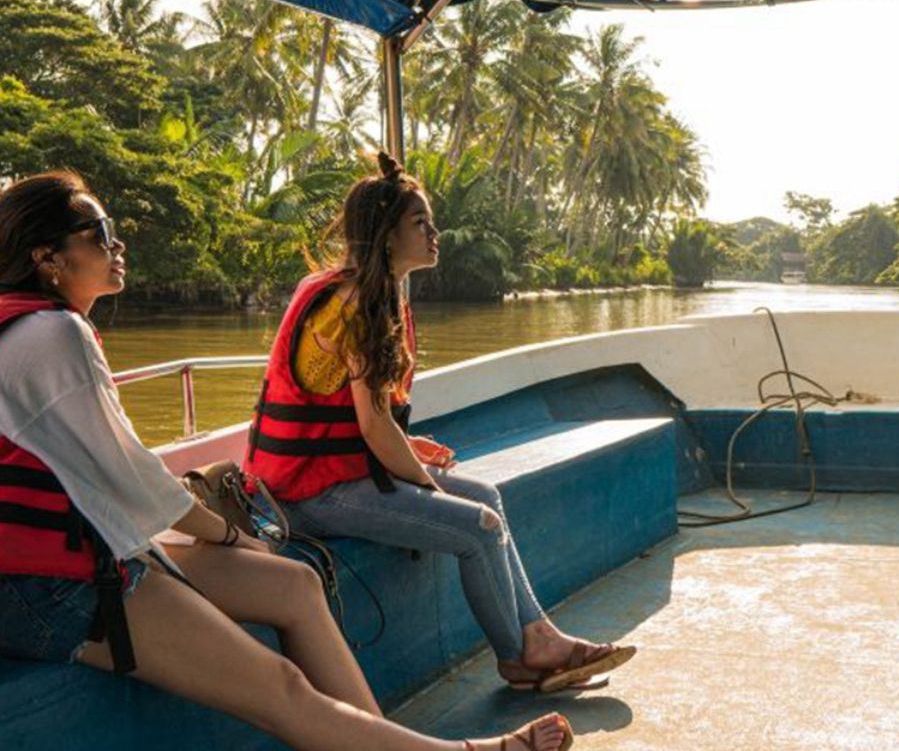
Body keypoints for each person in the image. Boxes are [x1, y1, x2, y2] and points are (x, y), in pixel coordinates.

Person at [0, 171, 571, 751]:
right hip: (43, 588)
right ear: (47, 257)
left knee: (294, 583)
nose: (118, 244)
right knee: (282, 687)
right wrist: (232, 536)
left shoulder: (33, 329)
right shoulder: (54, 336)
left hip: (76, 556)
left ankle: (382, 737)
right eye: (100, 232)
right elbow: (136, 484)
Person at [243, 152, 635, 693]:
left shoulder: (370, 294)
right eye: (420, 223)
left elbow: (368, 419)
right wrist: (426, 485)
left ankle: (539, 634)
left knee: (486, 495)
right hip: (304, 494)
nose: (435, 234)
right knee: (478, 526)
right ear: (387, 235)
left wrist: (409, 449)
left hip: (335, 475)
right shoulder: (355, 307)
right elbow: (375, 429)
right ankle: (519, 658)